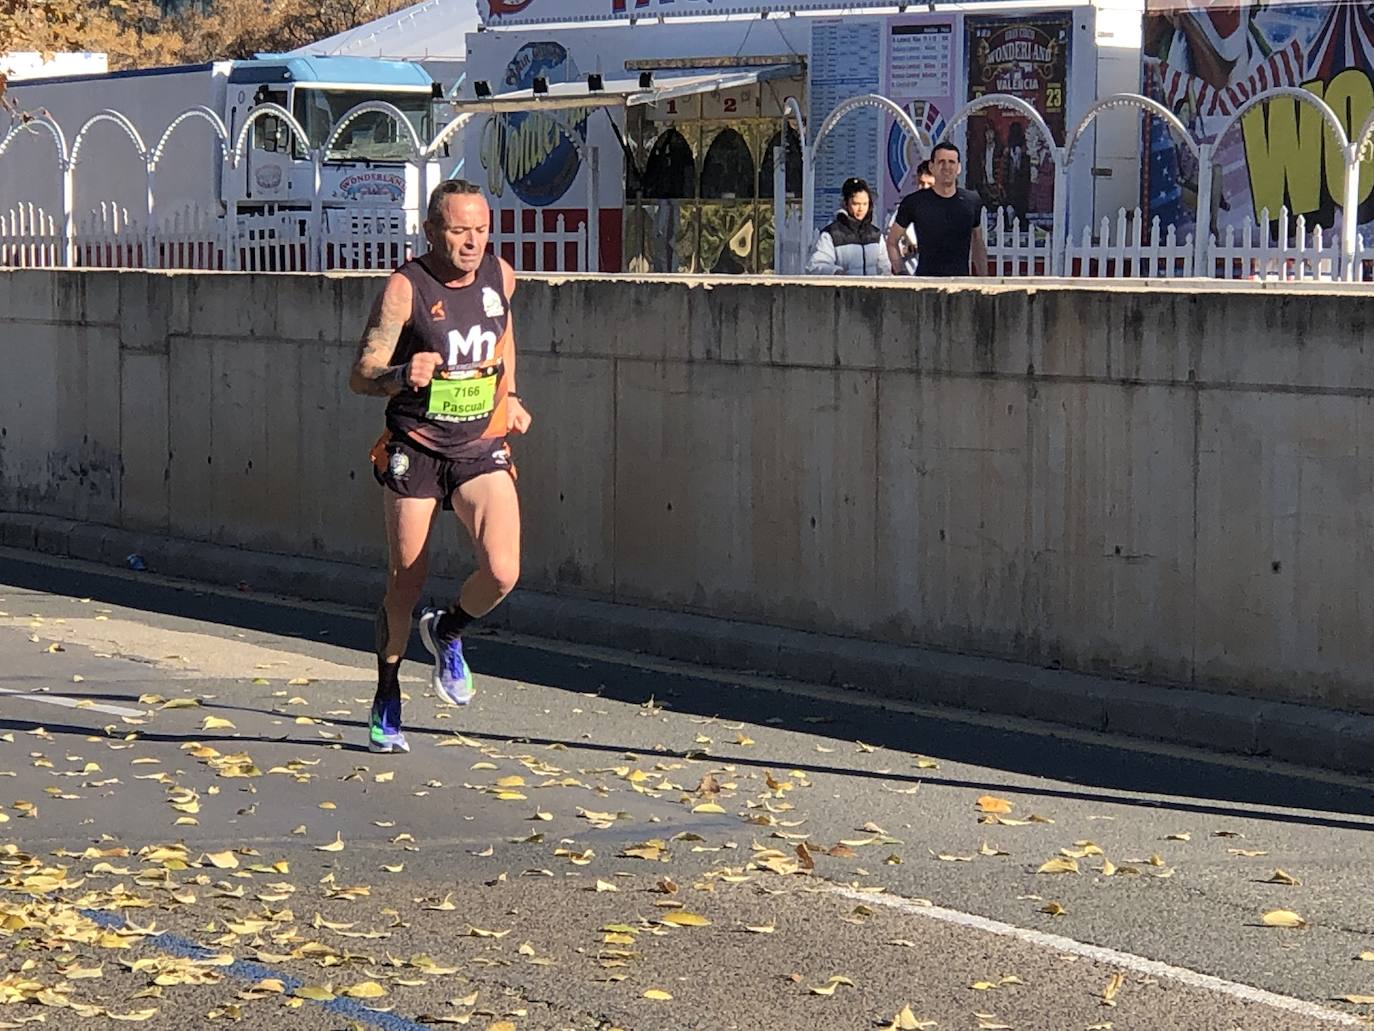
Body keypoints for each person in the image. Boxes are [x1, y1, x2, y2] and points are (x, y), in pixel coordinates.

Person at [348, 178, 532, 753]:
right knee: (407, 579)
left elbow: (502, 339)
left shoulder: (501, 276)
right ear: (432, 231)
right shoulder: (404, 288)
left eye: (480, 230)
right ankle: (387, 690)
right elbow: (360, 373)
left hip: (478, 445)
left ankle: (447, 631)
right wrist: (403, 374)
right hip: (418, 447)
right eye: (459, 231)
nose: (472, 242)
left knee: (503, 572)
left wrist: (513, 397)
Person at [886, 142, 988, 277]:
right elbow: (892, 242)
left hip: (961, 284)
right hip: (925, 285)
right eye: (941, 162)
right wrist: (902, 274)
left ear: (958, 168)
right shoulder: (914, 202)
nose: (947, 167)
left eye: (951, 162)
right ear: (932, 166)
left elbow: (978, 243)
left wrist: (984, 281)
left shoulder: (971, 201)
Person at [806, 177, 892, 276]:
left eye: (865, 204)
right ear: (845, 204)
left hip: (872, 290)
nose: (861, 209)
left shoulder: (875, 234)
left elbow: (884, 267)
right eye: (856, 204)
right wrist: (835, 272)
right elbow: (816, 265)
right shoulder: (831, 233)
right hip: (843, 290)